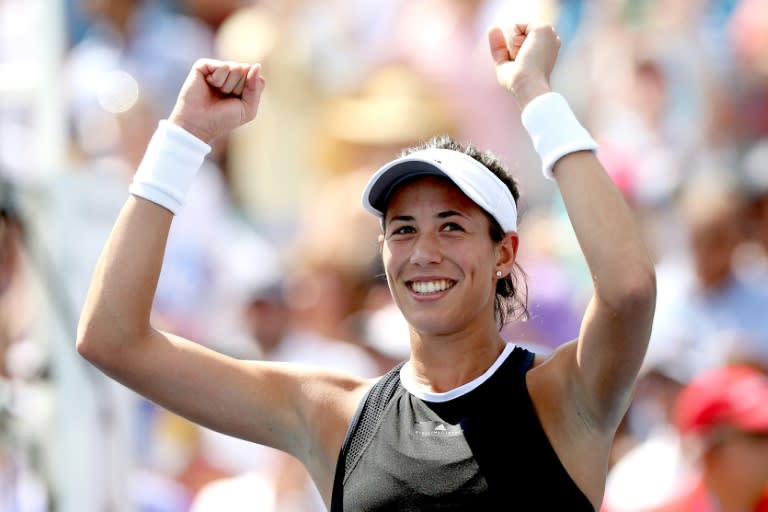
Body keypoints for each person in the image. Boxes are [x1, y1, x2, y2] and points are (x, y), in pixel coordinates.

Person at [76, 21, 657, 510]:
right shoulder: (333, 414)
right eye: (402, 229)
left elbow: (628, 290)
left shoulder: (563, 396)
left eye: (451, 226)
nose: (424, 251)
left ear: (504, 253)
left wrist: (536, 94)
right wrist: (183, 137)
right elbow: (113, 339)